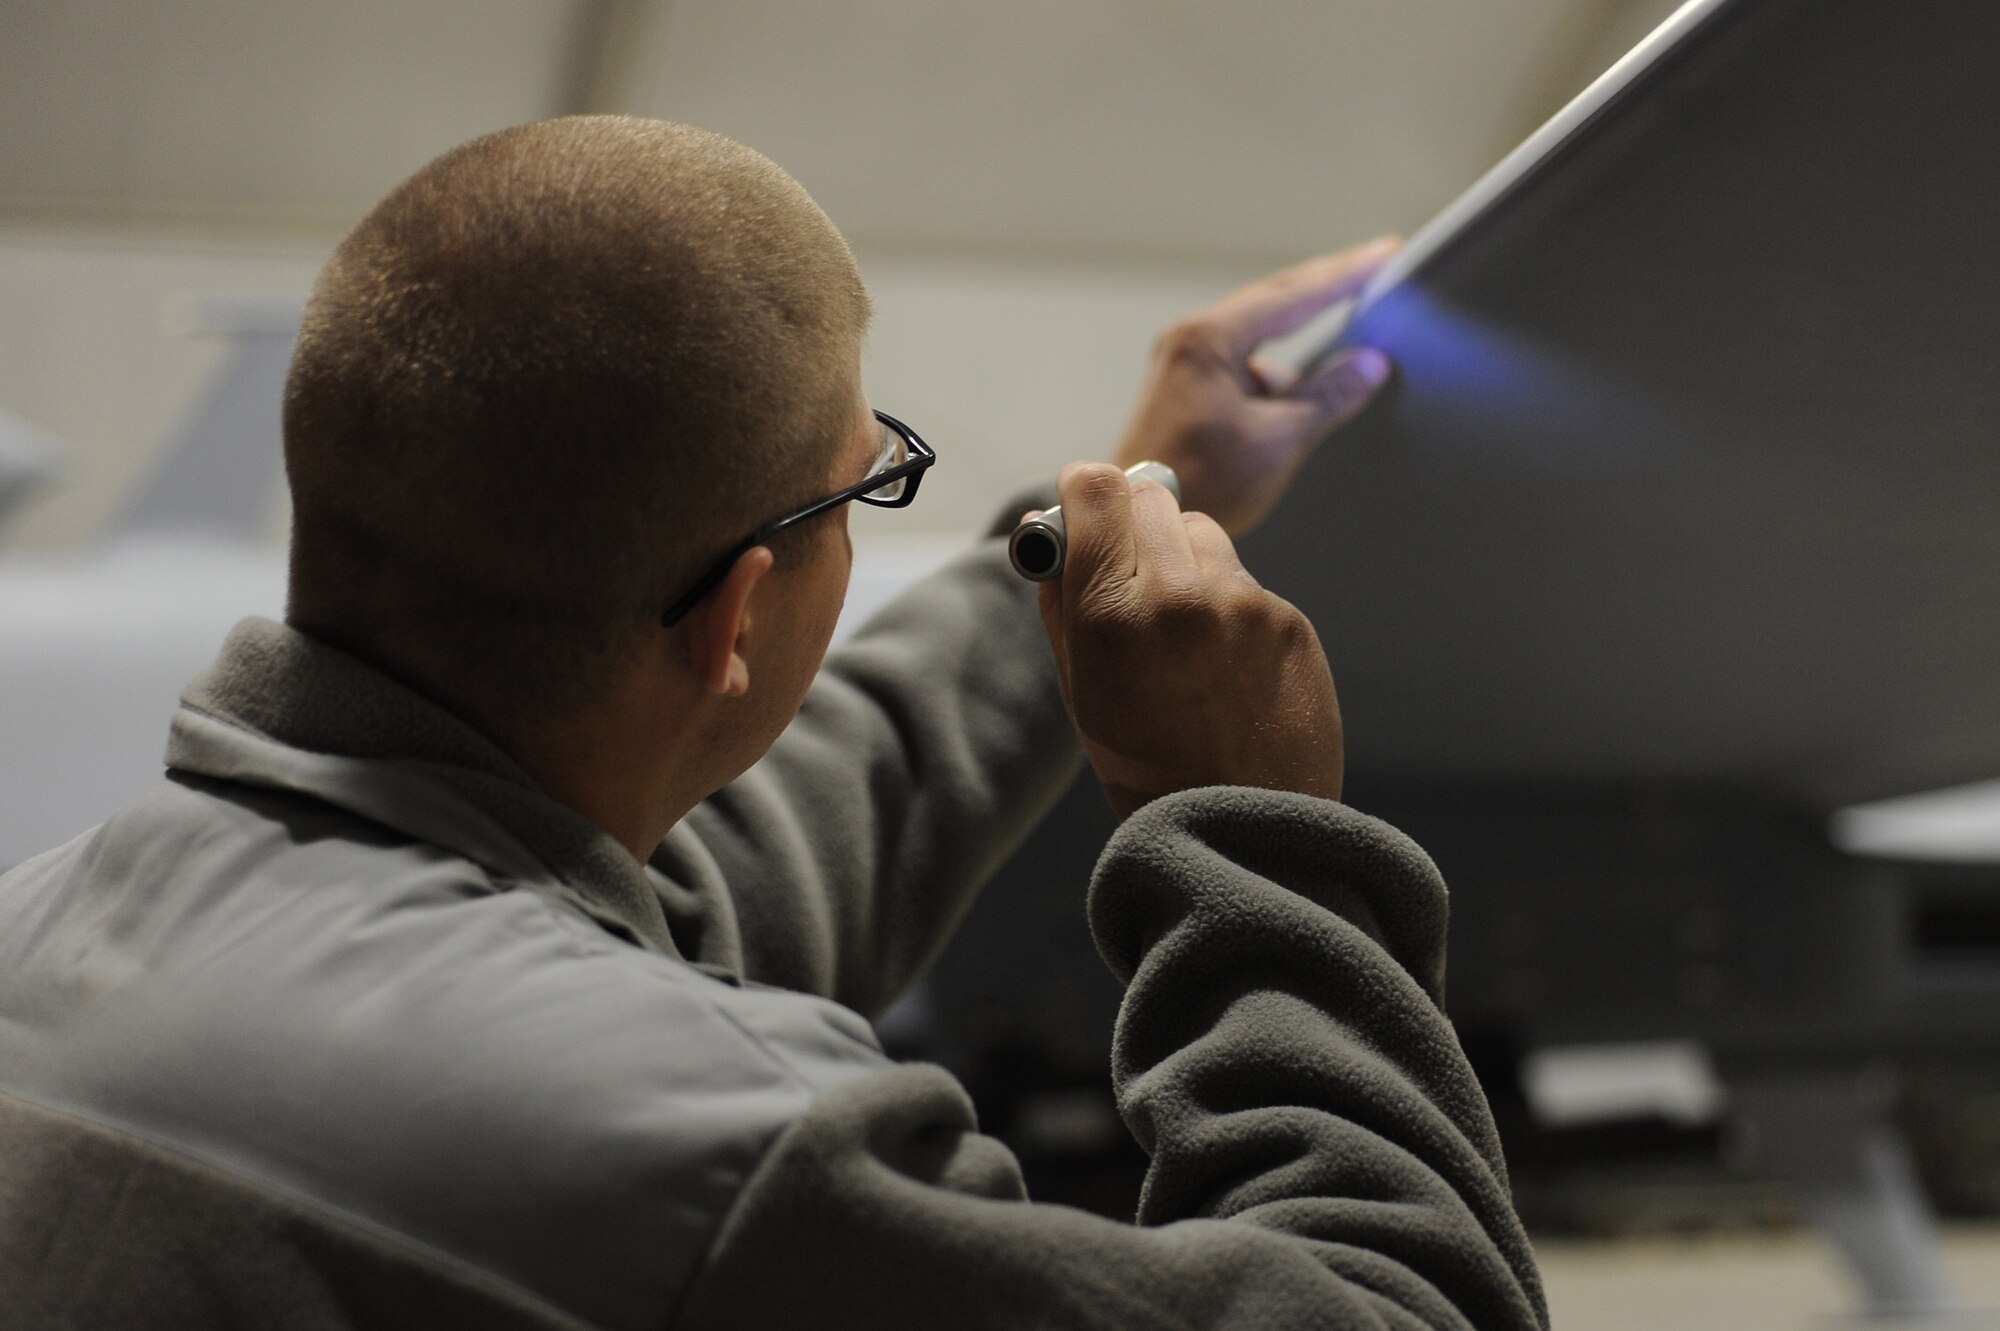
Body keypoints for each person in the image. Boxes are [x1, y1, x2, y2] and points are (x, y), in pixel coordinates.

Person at [0, 116, 1546, 1330]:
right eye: (872, 483)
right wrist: (1252, 829)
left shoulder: (53, 922)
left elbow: (719, 887)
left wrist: (1110, 507)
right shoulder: (741, 1164)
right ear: (736, 615)